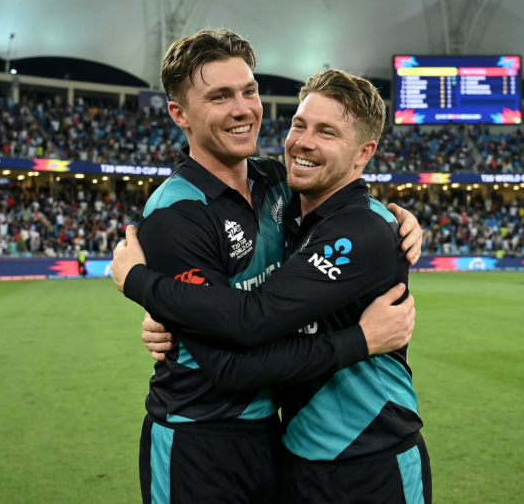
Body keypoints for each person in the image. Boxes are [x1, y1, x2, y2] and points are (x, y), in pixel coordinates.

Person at [110, 30, 423, 504]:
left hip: (280, 440)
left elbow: (344, 202)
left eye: (249, 91)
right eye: (219, 96)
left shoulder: (276, 183)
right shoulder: (175, 214)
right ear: (179, 114)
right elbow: (232, 360)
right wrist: (147, 290)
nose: (243, 109)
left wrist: (393, 219)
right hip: (198, 438)